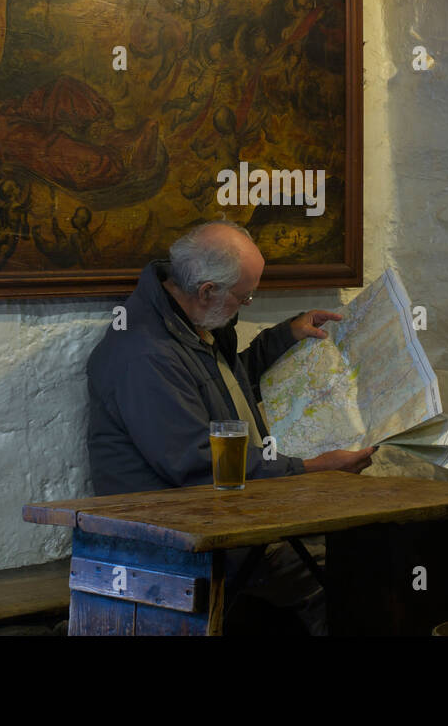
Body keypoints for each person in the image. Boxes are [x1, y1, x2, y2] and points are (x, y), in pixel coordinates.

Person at [86, 219, 375, 634]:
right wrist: (311, 468)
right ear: (207, 291)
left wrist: (287, 336)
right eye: (246, 296)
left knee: (370, 550)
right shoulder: (146, 355)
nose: (248, 303)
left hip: (225, 519)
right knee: (344, 582)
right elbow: (198, 464)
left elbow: (224, 388)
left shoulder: (191, 324)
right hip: (178, 537)